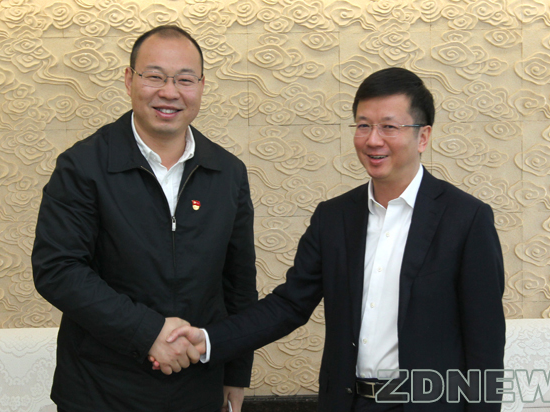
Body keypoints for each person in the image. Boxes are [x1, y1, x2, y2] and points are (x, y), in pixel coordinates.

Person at [165, 68, 506, 412]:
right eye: (363, 125)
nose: (373, 140)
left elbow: (485, 344)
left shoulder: (466, 219)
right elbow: (288, 305)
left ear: (423, 136)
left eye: (389, 127)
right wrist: (208, 339)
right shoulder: (334, 217)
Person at [32, 25, 257, 412]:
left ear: (201, 86)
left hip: (197, 388)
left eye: (184, 79)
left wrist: (236, 372)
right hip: (99, 390)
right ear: (129, 80)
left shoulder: (227, 172)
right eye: (154, 76)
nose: (169, 92)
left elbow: (238, 282)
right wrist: (148, 331)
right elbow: (58, 269)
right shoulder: (83, 166)